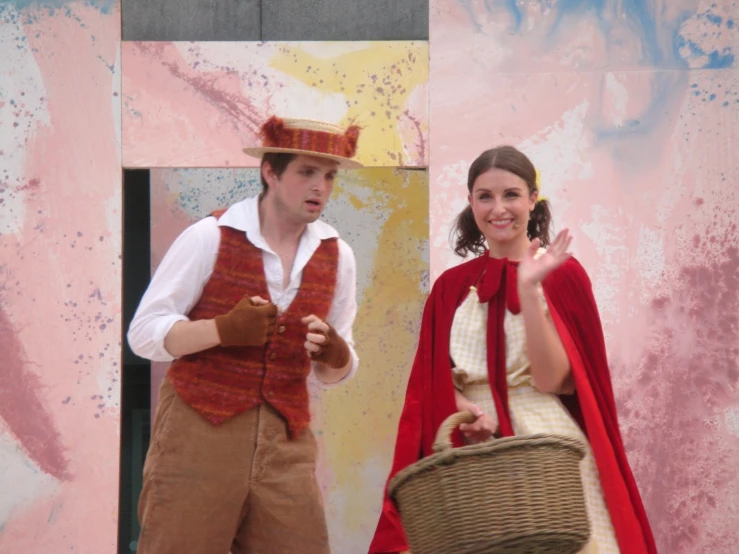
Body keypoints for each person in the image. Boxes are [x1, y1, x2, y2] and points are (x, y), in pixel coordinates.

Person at [368, 145, 657, 554]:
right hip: (473, 448)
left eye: (511, 195)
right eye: (485, 196)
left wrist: (528, 286)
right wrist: (470, 411)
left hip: (548, 450)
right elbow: (431, 379)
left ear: (532, 199)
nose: (498, 208)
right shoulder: (451, 286)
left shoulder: (564, 274)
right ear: (470, 202)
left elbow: (553, 380)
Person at [127, 116, 363, 554]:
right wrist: (220, 330)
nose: (321, 188)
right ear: (270, 172)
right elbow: (144, 333)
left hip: (286, 443)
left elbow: (336, 372)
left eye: (329, 176)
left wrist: (335, 353)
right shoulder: (209, 237)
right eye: (306, 172)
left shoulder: (338, 255)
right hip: (198, 432)